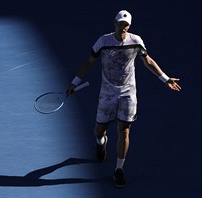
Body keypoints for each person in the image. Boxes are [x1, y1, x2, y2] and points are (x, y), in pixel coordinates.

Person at [66, 10, 181, 188]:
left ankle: (119, 169)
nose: (123, 27)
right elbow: (89, 62)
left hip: (128, 92)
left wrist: (165, 79)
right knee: (99, 129)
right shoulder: (103, 41)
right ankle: (101, 142)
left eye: (126, 25)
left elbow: (147, 61)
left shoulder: (136, 41)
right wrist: (74, 82)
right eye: (120, 23)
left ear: (129, 25)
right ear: (115, 23)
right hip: (107, 92)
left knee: (124, 130)